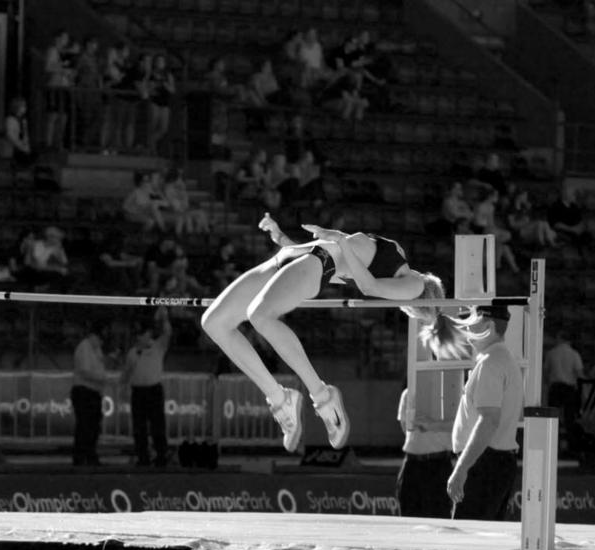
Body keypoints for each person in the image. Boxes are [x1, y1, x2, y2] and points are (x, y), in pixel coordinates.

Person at [200, 213, 467, 453]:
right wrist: (282, 237)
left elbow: (368, 285)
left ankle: (322, 397)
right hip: (293, 256)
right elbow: (359, 277)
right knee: (214, 323)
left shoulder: (409, 283)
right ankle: (281, 398)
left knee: (261, 316)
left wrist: (341, 241)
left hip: (316, 260)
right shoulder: (407, 275)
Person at [446, 305, 523, 520]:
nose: (467, 331)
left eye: (472, 324)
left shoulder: (490, 363)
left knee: (468, 542)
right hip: (494, 461)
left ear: (488, 326)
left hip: (484, 463)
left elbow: (488, 420)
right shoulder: (503, 359)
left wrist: (461, 469)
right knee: (484, 539)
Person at [120, 307, 172, 467]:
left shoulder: (158, 347)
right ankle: (143, 457)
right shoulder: (132, 353)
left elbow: (168, 333)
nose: (141, 337)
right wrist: (122, 388)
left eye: (144, 334)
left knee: (158, 425)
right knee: (139, 427)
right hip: (139, 392)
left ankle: (161, 456)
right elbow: (127, 373)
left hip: (154, 390)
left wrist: (165, 318)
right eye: (140, 334)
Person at [396, 383, 455, 519]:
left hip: (439, 464)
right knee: (409, 516)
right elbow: (405, 426)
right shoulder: (408, 393)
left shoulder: (451, 392)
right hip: (413, 463)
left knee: (440, 516)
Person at [70, 319, 111, 466]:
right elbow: (85, 371)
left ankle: (90, 454)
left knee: (94, 426)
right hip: (83, 391)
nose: (101, 341)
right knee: (84, 426)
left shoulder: (97, 349)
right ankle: (80, 457)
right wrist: (103, 379)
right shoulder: (84, 348)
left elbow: (98, 366)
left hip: (94, 392)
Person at [544, 331, 584, 446]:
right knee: (569, 418)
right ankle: (571, 444)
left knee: (553, 418)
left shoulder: (551, 353)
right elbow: (579, 374)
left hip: (555, 388)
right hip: (569, 389)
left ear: (559, 338)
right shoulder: (574, 354)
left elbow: (546, 373)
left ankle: (552, 443)